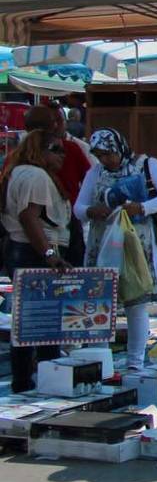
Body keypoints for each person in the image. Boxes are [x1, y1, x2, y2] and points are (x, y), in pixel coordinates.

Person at [76, 129, 157, 374]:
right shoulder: (95, 172)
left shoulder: (146, 165)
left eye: (109, 154)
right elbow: (78, 207)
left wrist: (142, 208)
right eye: (100, 155)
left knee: (136, 302)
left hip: (135, 245)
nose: (106, 160)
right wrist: (92, 211)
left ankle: (135, 361)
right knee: (100, 303)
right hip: (103, 246)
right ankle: (100, 361)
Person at [1, 131, 72, 392]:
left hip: (21, 250)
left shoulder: (17, 171)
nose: (63, 156)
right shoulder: (36, 176)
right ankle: (40, 380)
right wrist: (50, 255)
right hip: (33, 252)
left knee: (28, 320)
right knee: (44, 322)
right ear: (41, 151)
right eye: (57, 150)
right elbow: (29, 218)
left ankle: (26, 380)